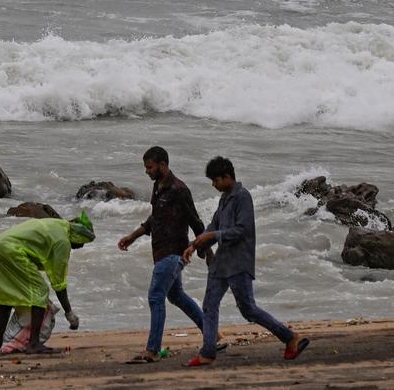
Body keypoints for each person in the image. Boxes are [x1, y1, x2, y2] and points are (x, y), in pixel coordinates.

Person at [182, 156, 309, 367]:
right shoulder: (224, 199)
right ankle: (208, 352)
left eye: (215, 180)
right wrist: (195, 244)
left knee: (248, 309)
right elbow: (213, 226)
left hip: (239, 262)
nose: (213, 185)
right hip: (222, 262)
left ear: (227, 177)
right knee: (209, 305)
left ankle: (290, 337)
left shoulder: (242, 197)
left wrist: (213, 236)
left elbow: (242, 230)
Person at [118, 146, 209, 364]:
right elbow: (154, 218)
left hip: (174, 252)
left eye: (149, 167)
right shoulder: (158, 187)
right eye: (146, 167)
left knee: (155, 296)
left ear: (163, 165)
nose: (146, 171)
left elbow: (196, 222)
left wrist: (205, 250)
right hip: (161, 252)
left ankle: (153, 350)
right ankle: (212, 334)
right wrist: (133, 236)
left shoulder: (179, 190)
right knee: (176, 296)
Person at [0, 213, 94, 354]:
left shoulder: (57, 225)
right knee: (40, 291)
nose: (80, 246)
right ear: (77, 236)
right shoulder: (62, 241)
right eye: (82, 242)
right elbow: (59, 282)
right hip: (12, 251)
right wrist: (69, 313)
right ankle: (33, 343)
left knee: (8, 295)